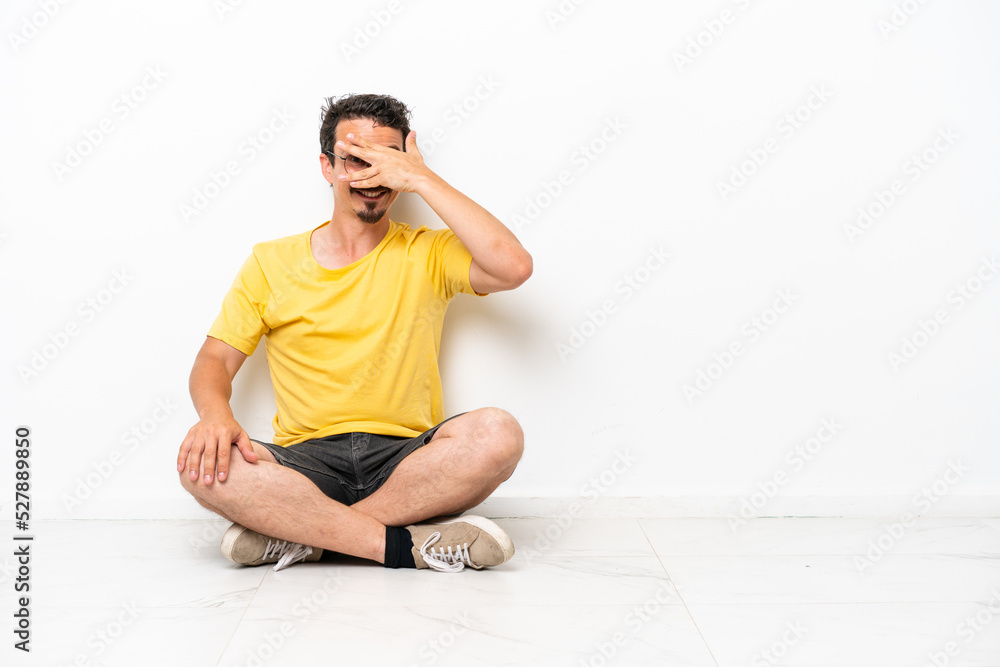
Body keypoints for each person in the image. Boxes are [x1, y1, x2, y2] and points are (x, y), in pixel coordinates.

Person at [176, 93, 532, 573]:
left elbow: (514, 267)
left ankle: (303, 536)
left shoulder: (428, 251)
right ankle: (405, 547)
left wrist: (422, 178)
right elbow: (214, 359)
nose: (372, 177)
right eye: (356, 160)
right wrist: (215, 416)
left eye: (386, 162)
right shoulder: (270, 261)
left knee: (498, 434)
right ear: (327, 166)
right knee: (200, 466)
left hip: (405, 461)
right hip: (304, 464)